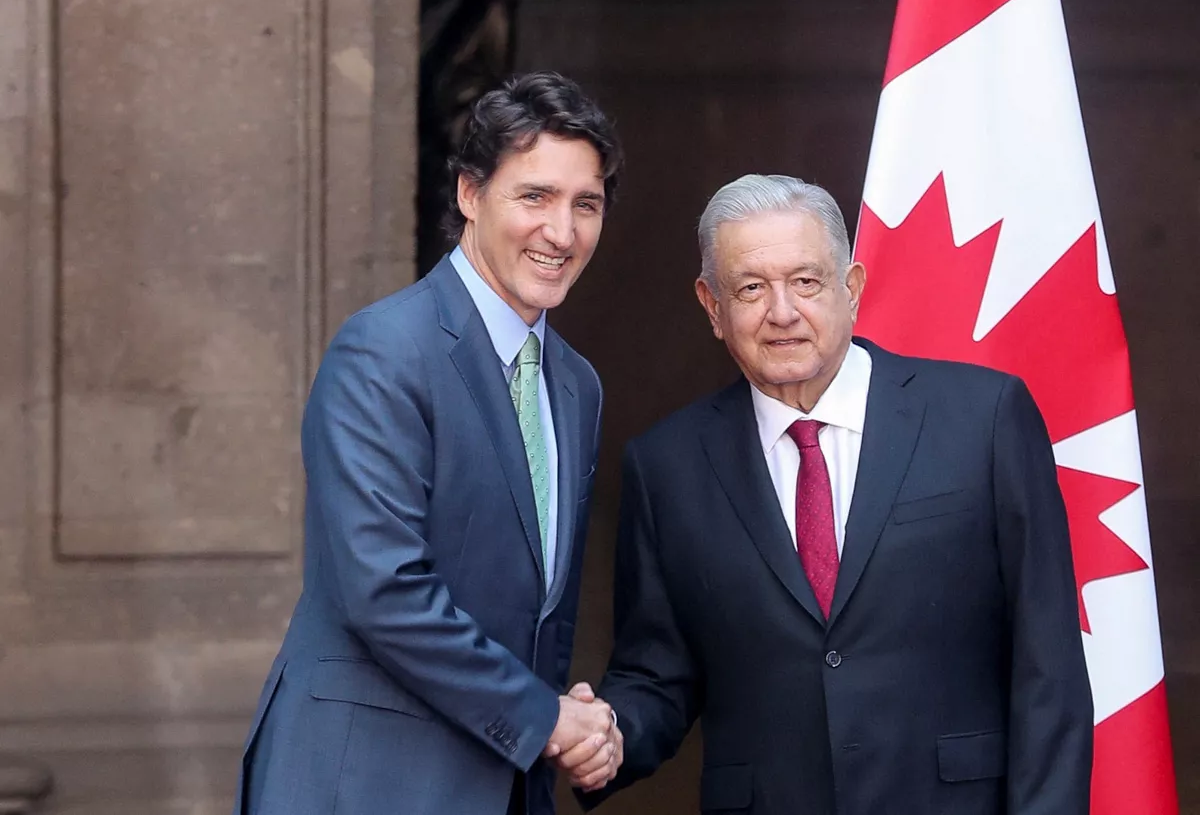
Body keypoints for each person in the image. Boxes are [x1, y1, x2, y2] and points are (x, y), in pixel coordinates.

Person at [570, 175, 1093, 814]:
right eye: (752, 288)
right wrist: (606, 736)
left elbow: (1050, 669)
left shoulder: (983, 419)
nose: (783, 311)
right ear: (712, 307)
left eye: (807, 281)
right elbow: (658, 672)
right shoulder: (667, 466)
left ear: (851, 289)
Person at [235, 71, 625, 815]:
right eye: (534, 196)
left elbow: (541, 613)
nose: (563, 232)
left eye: (587, 204)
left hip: (503, 786)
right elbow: (382, 590)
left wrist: (571, 720)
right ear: (469, 194)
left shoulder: (577, 385)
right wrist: (547, 718)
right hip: (365, 783)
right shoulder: (384, 350)